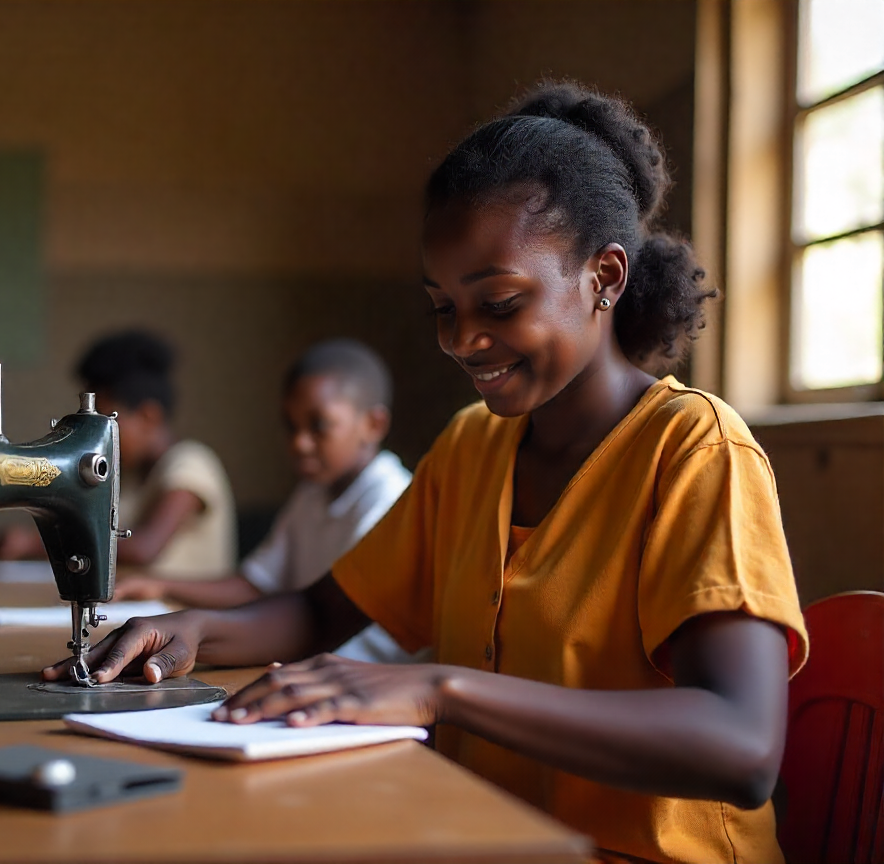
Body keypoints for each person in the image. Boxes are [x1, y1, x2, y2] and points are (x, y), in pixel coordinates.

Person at [45, 82, 808, 864]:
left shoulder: (695, 453)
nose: (463, 342)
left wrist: (444, 689)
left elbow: (741, 749)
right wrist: (198, 628)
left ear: (604, 278)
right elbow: (320, 614)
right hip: (483, 833)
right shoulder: (473, 447)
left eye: (500, 303)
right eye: (443, 308)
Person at [112, 339, 420, 663]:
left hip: (360, 672)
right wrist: (161, 586)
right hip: (314, 659)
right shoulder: (312, 493)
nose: (300, 443)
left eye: (319, 425)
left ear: (373, 424)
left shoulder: (390, 501)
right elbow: (255, 584)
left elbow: (338, 622)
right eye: (291, 426)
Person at [0, 329, 237, 578]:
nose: (95, 438)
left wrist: (32, 545)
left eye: (105, 422)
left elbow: (144, 549)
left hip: (180, 611)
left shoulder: (191, 462)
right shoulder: (132, 479)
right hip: (146, 607)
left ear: (147, 416)